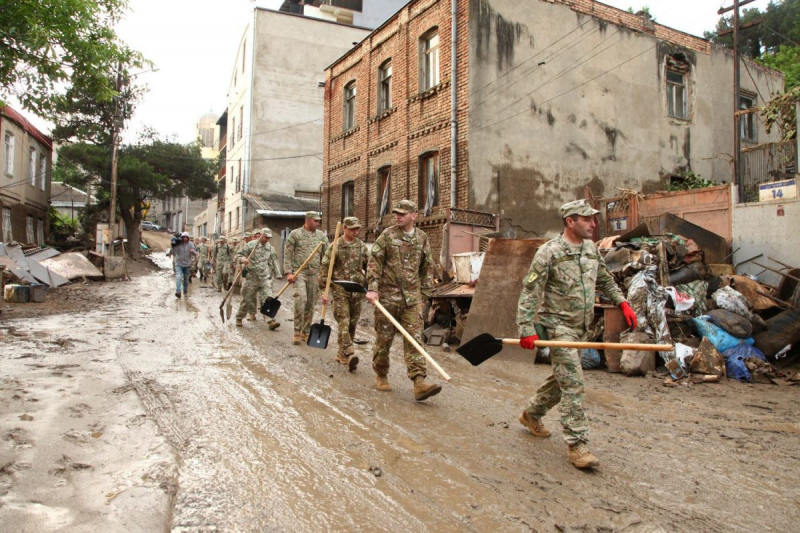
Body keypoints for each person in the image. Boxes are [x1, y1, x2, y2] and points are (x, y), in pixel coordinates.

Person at [516, 199, 637, 470]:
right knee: (574, 383)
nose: (593, 224)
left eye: (593, 219)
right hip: (558, 327)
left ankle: (531, 414)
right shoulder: (549, 252)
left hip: (581, 326)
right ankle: (577, 444)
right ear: (570, 221)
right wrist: (525, 328)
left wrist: (622, 302)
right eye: (587, 219)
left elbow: (605, 279)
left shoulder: (591, 249)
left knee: (562, 380)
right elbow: (530, 292)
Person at [366, 200, 441, 402]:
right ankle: (381, 374)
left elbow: (427, 268)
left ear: (414, 216)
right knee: (384, 339)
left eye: (402, 214)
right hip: (388, 297)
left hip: (412, 299)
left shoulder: (422, 238)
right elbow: (374, 263)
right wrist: (373, 289)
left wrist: (425, 296)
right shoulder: (387, 236)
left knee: (415, 339)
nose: (398, 216)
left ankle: (419, 382)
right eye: (396, 213)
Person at [320, 216, 369, 371]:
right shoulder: (335, 246)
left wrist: (372, 286)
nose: (355, 231)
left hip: (356, 290)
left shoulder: (361, 246)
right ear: (344, 228)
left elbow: (371, 266)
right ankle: (349, 350)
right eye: (352, 228)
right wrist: (324, 291)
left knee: (353, 323)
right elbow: (325, 269)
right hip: (339, 288)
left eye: (357, 229)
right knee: (343, 319)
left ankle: (342, 354)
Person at [284, 211, 328, 345]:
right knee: (301, 299)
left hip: (315, 273)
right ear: (307, 220)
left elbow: (327, 256)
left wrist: (327, 275)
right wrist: (288, 272)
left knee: (311, 303)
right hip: (299, 273)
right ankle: (297, 331)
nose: (318, 223)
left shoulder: (321, 236)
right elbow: (288, 254)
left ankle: (306, 330)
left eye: (318, 221)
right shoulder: (295, 234)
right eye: (315, 221)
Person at [235, 228, 282, 330]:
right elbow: (238, 255)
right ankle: (239, 317)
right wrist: (243, 259)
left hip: (264, 278)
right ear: (260, 235)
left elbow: (274, 260)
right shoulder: (251, 245)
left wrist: (278, 274)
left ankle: (270, 321)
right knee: (246, 300)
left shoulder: (269, 247)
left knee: (268, 299)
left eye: (269, 238)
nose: (267, 239)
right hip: (251, 278)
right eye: (266, 237)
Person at [168, 231, 197, 298]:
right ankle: (178, 291)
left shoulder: (191, 244)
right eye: (183, 237)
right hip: (179, 264)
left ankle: (185, 291)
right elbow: (175, 253)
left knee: (186, 279)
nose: (185, 239)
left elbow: (195, 253)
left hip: (187, 264)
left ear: (188, 238)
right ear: (182, 237)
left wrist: (193, 252)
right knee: (178, 277)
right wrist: (173, 246)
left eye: (186, 237)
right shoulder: (178, 244)